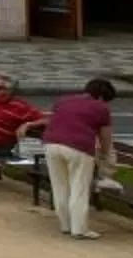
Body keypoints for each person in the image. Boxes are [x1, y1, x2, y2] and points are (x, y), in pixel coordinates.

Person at [42, 78, 119, 239]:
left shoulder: (63, 101)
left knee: (60, 186)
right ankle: (79, 229)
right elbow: (105, 137)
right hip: (78, 147)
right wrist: (105, 156)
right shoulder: (101, 108)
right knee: (79, 188)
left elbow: (53, 119)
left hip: (51, 144)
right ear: (102, 97)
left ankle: (65, 225)